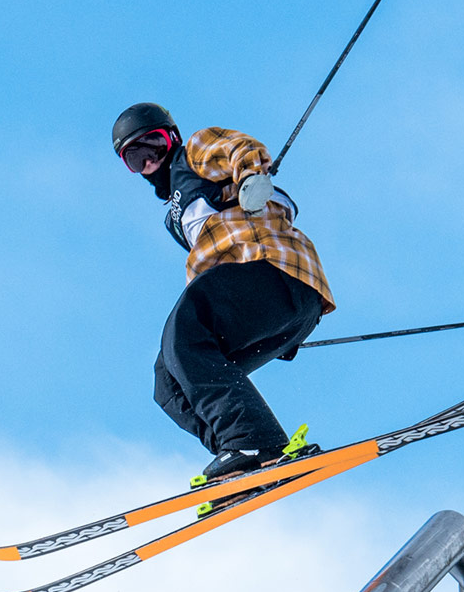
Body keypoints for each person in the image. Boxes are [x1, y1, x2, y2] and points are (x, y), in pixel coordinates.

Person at [111, 103, 336, 482]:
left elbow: (238, 148)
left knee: (185, 330)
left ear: (173, 137)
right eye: (135, 158)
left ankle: (252, 440)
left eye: (154, 145)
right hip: (266, 305)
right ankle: (246, 453)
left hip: (274, 271)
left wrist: (251, 180)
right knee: (169, 379)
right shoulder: (175, 217)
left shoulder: (194, 153)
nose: (150, 162)